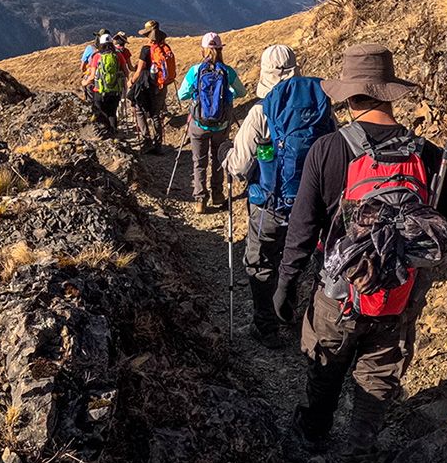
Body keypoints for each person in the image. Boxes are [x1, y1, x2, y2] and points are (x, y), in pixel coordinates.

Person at [274, 44, 447, 463]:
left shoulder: (329, 149)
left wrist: (285, 283)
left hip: (338, 291)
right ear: (390, 93)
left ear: (348, 96)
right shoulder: (429, 155)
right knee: (378, 376)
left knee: (326, 363)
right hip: (397, 291)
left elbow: (302, 227)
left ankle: (314, 435)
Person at [224, 45, 334, 349]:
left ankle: (266, 326)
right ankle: (291, 313)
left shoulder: (262, 111)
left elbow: (240, 167)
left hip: (270, 206)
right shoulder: (321, 106)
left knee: (260, 262)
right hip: (312, 205)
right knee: (296, 258)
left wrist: (227, 158)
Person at [176, 33, 245, 215]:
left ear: (203, 50)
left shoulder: (196, 71)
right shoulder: (227, 71)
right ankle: (218, 195)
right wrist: (227, 96)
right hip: (221, 124)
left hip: (199, 123)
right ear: (220, 49)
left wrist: (196, 95)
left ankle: (200, 200)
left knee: (199, 161)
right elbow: (242, 92)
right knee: (218, 159)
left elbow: (181, 95)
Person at [128, 20, 176, 153]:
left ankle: (146, 139)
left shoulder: (146, 49)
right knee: (156, 114)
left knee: (139, 110)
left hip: (146, 86)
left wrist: (131, 82)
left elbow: (139, 70)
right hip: (161, 85)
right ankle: (158, 145)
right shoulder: (165, 48)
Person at [83, 33, 125, 131]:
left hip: (99, 90)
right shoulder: (118, 55)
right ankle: (114, 136)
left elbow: (92, 76)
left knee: (100, 112)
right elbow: (126, 72)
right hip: (115, 90)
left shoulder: (97, 56)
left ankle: (104, 134)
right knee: (112, 113)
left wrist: (84, 83)